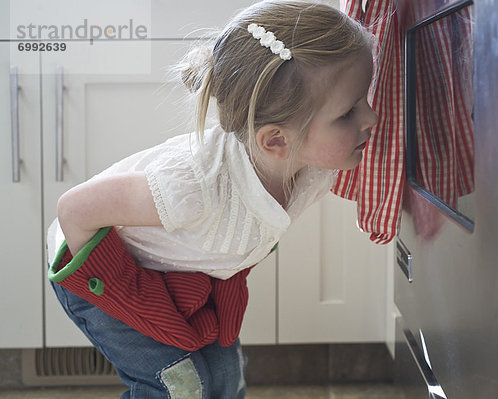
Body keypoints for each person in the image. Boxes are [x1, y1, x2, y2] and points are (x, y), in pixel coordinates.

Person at [48, 0, 378, 397]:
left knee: (225, 378)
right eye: (348, 113)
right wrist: (137, 299)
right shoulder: (193, 188)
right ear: (275, 140)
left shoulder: (309, 164)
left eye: (364, 100)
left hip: (178, 267)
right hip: (98, 263)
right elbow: (75, 209)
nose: (371, 119)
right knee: (181, 386)